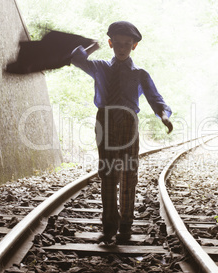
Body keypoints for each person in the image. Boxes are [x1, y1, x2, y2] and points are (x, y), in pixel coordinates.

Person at [71, 21, 173, 242]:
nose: (122, 47)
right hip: (105, 121)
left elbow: (155, 98)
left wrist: (163, 115)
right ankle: (109, 228)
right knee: (108, 173)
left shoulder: (140, 74)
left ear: (134, 46)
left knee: (128, 173)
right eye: (117, 43)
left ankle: (125, 226)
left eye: (127, 43)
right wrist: (91, 47)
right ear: (111, 43)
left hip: (128, 122)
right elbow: (76, 59)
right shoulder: (99, 67)